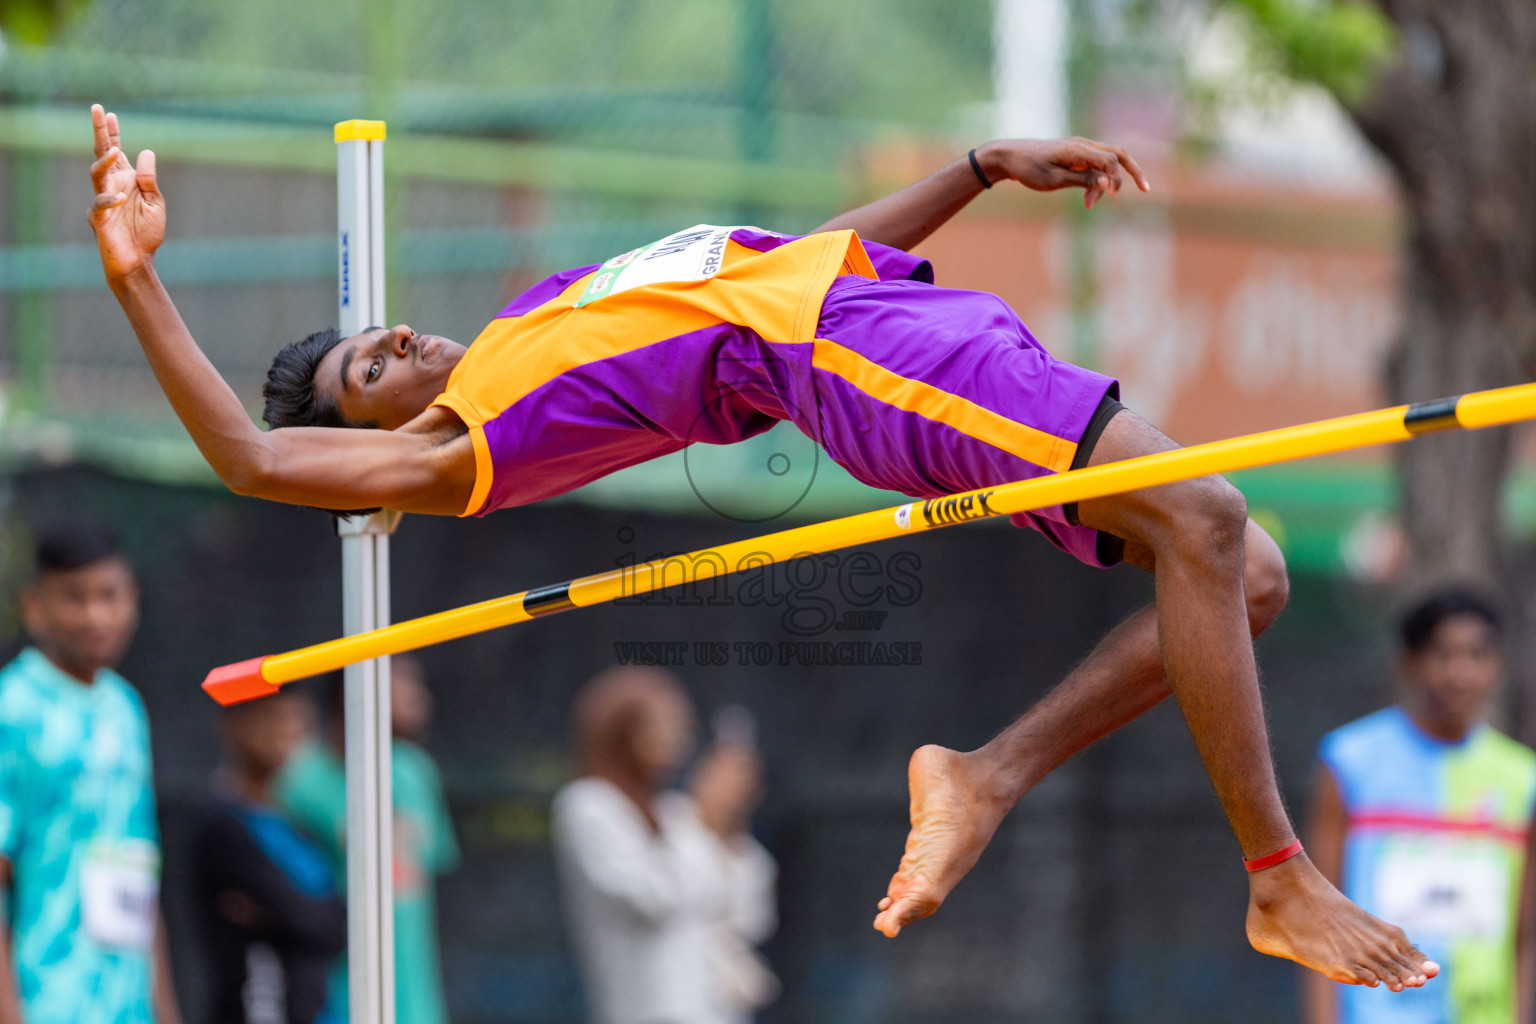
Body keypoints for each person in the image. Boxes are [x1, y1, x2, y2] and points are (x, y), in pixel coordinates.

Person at [87, 100, 1437, 990]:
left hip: (892, 316)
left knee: (1244, 570)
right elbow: (252, 458)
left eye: (383, 331)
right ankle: (1278, 878)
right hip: (860, 361)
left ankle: (983, 772)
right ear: (365, 441)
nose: (402, 345)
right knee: (1203, 518)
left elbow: (784, 262)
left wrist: (972, 170)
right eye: (372, 371)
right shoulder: (463, 443)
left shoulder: (535, 319)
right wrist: (139, 275)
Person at [1303, 591, 1536, 1024]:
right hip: (1376, 1013)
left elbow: (1523, 937)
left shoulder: (1522, 779)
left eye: (1477, 654)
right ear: (1409, 663)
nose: (1460, 672)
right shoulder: (1350, 762)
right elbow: (1320, 918)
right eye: (1442, 654)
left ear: (1498, 664)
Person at [0, 521, 182, 1024]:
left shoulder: (126, 709)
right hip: (47, 1001)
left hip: (128, 1005)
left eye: (110, 594)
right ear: (34, 606)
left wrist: (164, 1010)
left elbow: (139, 869)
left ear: (134, 599)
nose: (96, 614)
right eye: (74, 598)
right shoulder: (12, 707)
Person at [551, 667, 777, 1024]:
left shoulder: (676, 813)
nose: (673, 739)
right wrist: (705, 818)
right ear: (620, 730)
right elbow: (653, 898)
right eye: (658, 725)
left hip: (717, 1010)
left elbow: (747, 916)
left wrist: (731, 827)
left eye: (680, 726)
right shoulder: (589, 806)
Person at [275, 656, 459, 1024]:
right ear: (359, 685)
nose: (420, 696)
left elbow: (432, 867)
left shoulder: (416, 772)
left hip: (417, 1002)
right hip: (332, 998)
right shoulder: (298, 781)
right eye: (404, 680)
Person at [192, 689, 346, 1024]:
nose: (287, 731)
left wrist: (280, 916)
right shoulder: (224, 830)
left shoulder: (301, 828)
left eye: (299, 722)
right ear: (233, 727)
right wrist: (297, 916)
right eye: (274, 718)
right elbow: (303, 917)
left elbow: (336, 926)